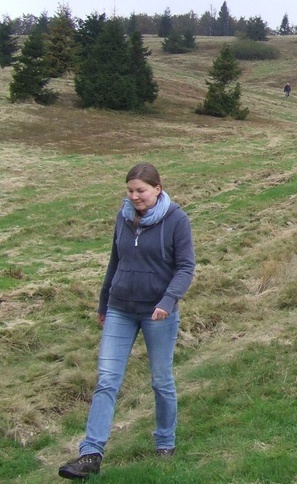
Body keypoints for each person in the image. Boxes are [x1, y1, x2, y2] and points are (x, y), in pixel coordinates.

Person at [58, 163, 195, 480]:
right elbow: (114, 261)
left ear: (157, 189)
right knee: (107, 380)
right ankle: (90, 454)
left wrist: (168, 300)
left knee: (161, 381)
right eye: (130, 191)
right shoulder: (123, 219)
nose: (134, 196)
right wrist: (104, 302)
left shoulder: (176, 220)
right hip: (120, 308)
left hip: (158, 312)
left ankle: (165, 441)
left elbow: (186, 267)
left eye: (141, 191)